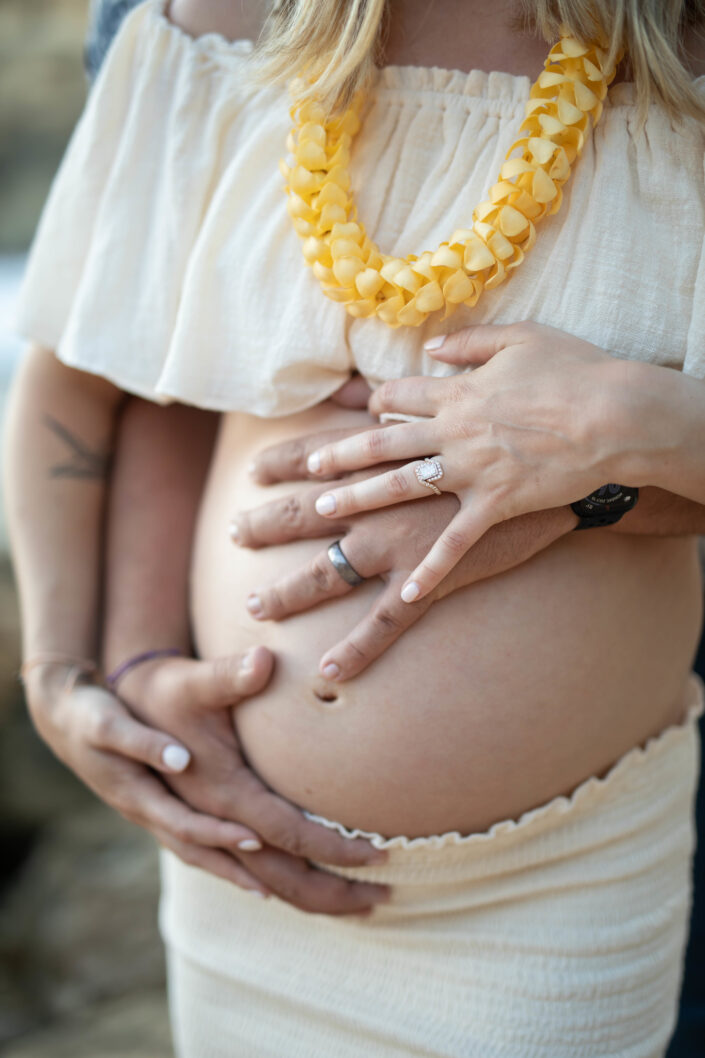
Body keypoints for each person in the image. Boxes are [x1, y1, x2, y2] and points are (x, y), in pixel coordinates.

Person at [5, 1, 705, 1054]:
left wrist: (604, 446)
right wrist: (85, 669)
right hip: (248, 864)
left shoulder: (682, 51)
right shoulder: (223, 21)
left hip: (559, 892)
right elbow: (112, 366)